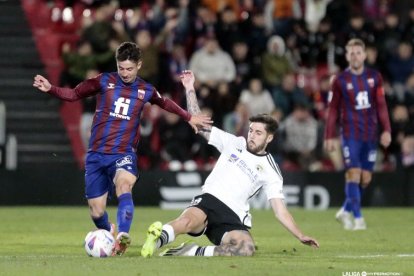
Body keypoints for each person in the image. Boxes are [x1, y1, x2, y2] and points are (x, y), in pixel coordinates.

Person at [32, 42, 212, 256]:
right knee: (96, 210)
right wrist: (50, 88)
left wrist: (189, 116)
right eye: (121, 68)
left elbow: (165, 103)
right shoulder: (103, 81)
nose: (125, 73)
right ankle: (109, 230)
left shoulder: (145, 90)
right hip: (96, 155)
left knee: (124, 186)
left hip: (123, 153)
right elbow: (73, 95)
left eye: (129, 68)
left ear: (139, 65)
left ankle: (122, 236)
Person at [140, 70, 319, 257]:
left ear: (269, 138)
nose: (252, 136)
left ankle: (190, 251)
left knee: (245, 249)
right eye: (251, 130)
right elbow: (199, 124)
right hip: (209, 200)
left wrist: (300, 235)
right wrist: (190, 88)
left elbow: (280, 211)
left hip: (232, 215)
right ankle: (156, 240)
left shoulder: (271, 170)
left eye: (258, 133)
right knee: (185, 222)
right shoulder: (234, 142)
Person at [324, 38, 392, 231]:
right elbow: (333, 110)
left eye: (358, 52)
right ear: (347, 56)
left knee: (365, 178)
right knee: (353, 173)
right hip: (350, 134)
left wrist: (386, 130)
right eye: (351, 53)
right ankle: (359, 219)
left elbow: (381, 105)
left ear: (364, 55)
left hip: (370, 134)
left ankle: (345, 210)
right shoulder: (340, 80)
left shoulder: (375, 77)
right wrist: (329, 136)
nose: (355, 56)